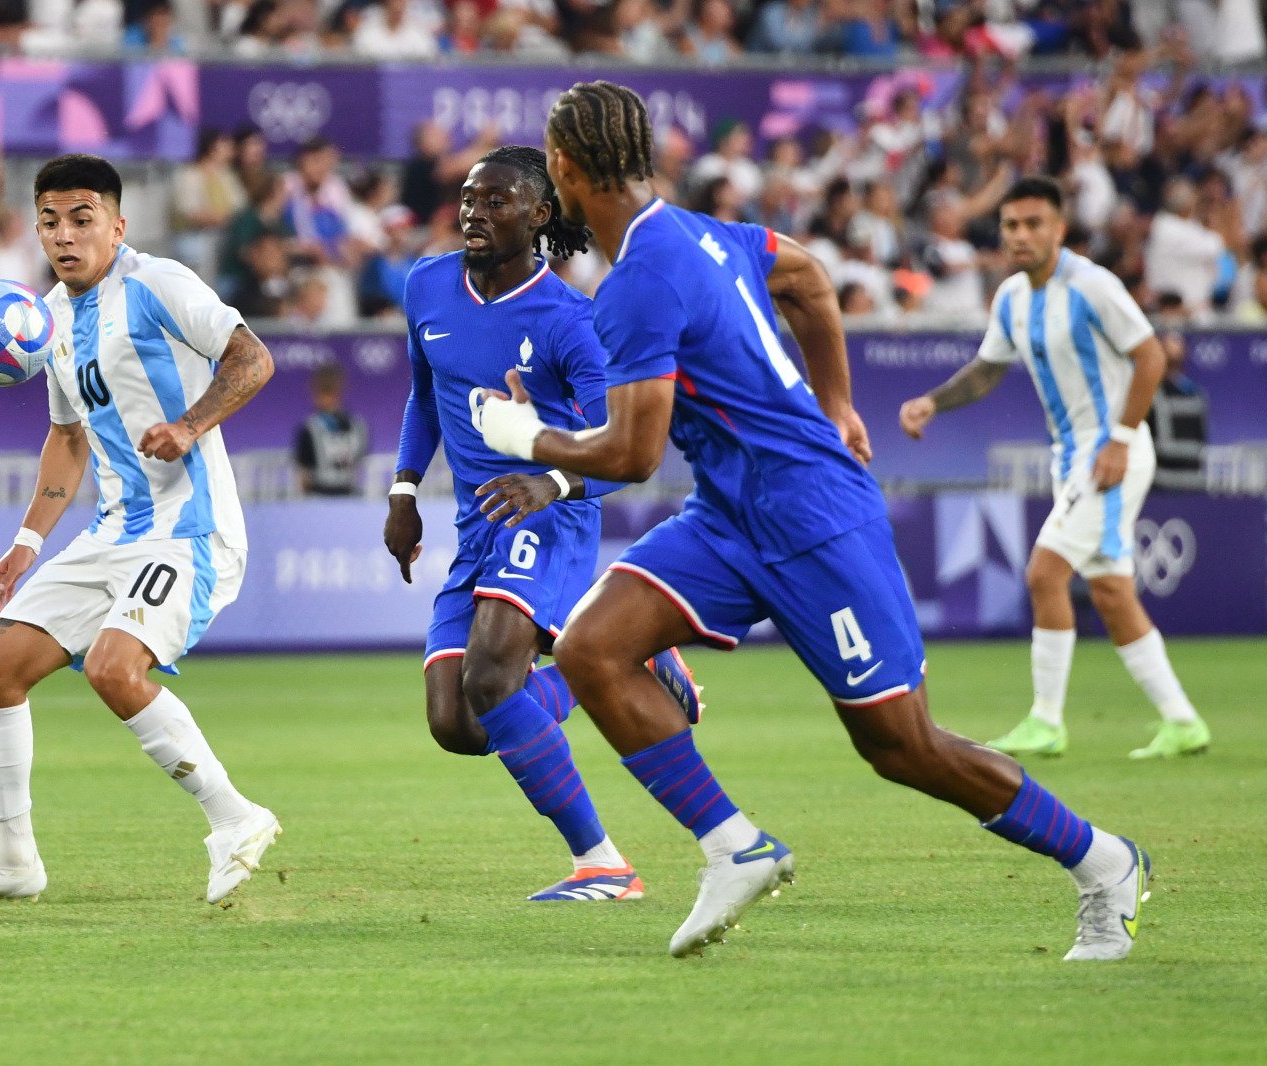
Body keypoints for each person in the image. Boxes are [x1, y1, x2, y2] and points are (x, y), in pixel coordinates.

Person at [477, 82, 1150, 961]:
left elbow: (637, 455)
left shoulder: (641, 277)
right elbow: (806, 275)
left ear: (563, 166)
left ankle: (1104, 863)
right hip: (728, 514)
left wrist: (523, 434)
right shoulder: (702, 235)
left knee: (902, 746)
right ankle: (733, 848)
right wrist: (836, 398)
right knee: (593, 647)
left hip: (813, 520)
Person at [0, 154, 281, 910]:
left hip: (190, 529)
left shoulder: (158, 285)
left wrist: (190, 424)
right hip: (113, 533)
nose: (64, 234)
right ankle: (13, 860)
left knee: (116, 670)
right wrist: (27, 542)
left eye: (82, 218)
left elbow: (253, 359)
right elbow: (67, 438)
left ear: (117, 225)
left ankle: (236, 820)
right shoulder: (47, 321)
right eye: (50, 220)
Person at [385, 144, 702, 902]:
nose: (474, 213)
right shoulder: (427, 285)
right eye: (468, 198)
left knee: (494, 678)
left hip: (552, 515)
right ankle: (633, 661)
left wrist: (551, 479)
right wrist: (402, 488)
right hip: (476, 524)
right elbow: (426, 395)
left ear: (538, 214)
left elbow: (628, 453)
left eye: (496, 201)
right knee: (457, 723)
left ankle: (602, 864)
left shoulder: (572, 321)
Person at [900, 176, 1211, 761]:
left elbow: (1150, 355)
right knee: (1114, 593)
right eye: (1011, 225)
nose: (1020, 235)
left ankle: (1046, 720)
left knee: (1045, 573)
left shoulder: (1093, 286)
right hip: (1070, 458)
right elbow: (988, 369)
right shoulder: (1013, 296)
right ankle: (1184, 721)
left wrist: (1119, 439)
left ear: (1059, 229)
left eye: (1033, 224)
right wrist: (932, 402)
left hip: (1110, 452)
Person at [1147, 330, 1209, 492]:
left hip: (1192, 479)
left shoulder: (1195, 394)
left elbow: (1201, 436)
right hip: (1159, 481)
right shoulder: (1149, 394)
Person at [294, 362, 368, 496]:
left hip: (318, 496)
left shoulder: (310, 428)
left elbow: (303, 473)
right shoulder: (358, 425)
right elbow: (359, 462)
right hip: (348, 495)